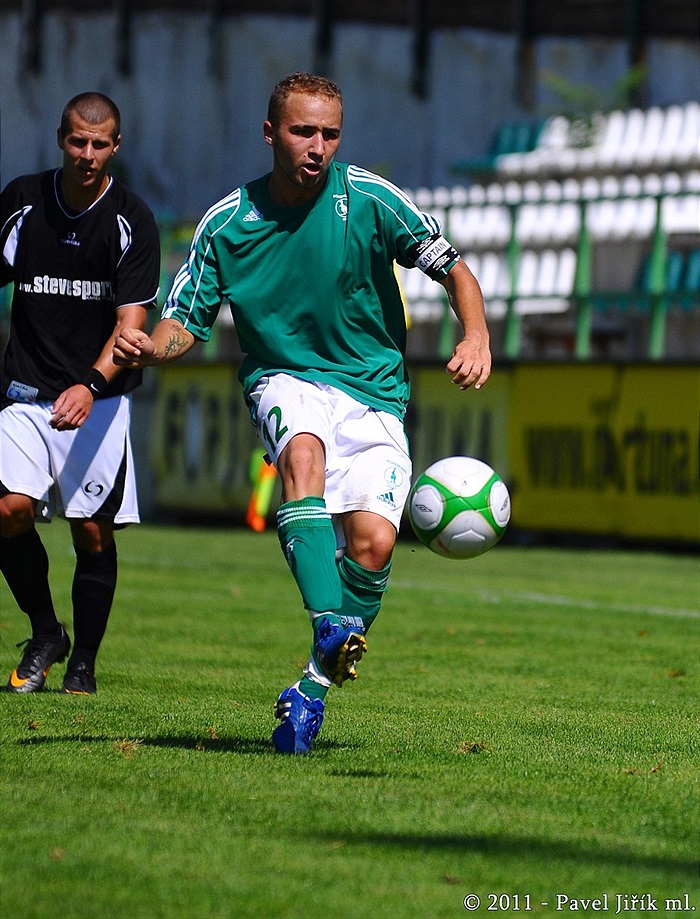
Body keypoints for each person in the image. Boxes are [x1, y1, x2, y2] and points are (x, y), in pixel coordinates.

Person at [113, 72, 490, 751]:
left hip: (375, 390)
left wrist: (476, 333)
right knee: (303, 457)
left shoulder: (372, 199)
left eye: (329, 133)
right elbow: (183, 325)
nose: (317, 146)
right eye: (302, 131)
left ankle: (310, 689)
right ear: (269, 133)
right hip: (283, 377)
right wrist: (149, 347)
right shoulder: (227, 223)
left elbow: (455, 269)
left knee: (374, 543)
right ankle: (327, 616)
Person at [0, 92, 160, 694]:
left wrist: (90, 386)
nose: (87, 154)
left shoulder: (131, 219)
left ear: (115, 147)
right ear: (60, 139)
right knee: (8, 511)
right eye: (77, 141)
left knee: (91, 530)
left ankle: (84, 662)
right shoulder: (21, 202)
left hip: (100, 397)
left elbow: (132, 325)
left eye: (100, 144)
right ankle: (45, 631)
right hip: (21, 392)